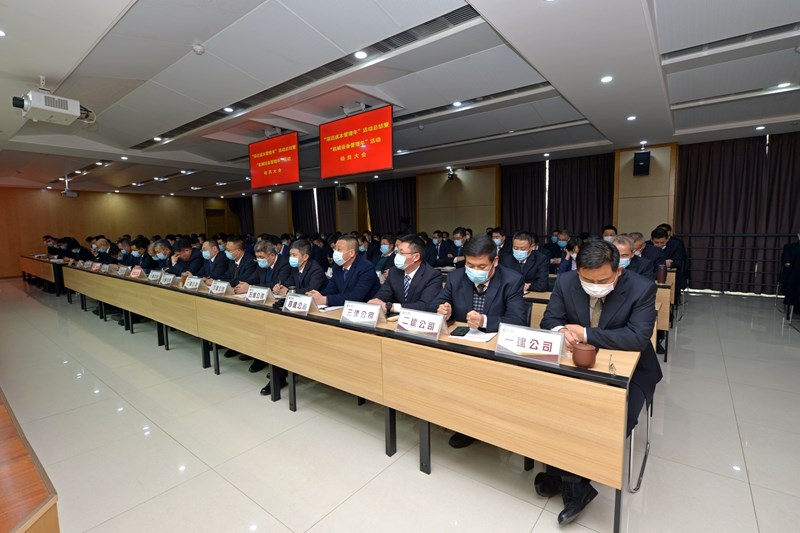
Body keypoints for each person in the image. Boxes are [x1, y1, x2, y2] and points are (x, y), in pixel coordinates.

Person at [537, 240, 660, 525]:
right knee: (552, 405)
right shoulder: (566, 281)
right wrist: (560, 330)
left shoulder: (641, 288)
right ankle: (561, 471)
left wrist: (585, 333)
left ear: (618, 271)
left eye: (603, 281)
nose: (595, 286)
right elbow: (549, 319)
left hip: (631, 372)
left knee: (606, 417)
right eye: (587, 280)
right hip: (574, 363)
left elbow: (637, 338)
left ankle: (573, 483)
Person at [430, 235, 526, 449]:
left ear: (495, 261)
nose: (475, 270)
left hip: (494, 348)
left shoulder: (512, 280)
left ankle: (487, 426)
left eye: (481, 266)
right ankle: (461, 422)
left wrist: (485, 321)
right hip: (461, 344)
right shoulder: (456, 277)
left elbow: (518, 320)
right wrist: (442, 310)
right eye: (470, 265)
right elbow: (437, 303)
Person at [368, 234, 443, 313]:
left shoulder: (432, 276)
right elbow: (383, 294)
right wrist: (376, 302)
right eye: (396, 252)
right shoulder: (394, 271)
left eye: (401, 253)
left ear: (416, 257)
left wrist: (391, 307)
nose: (397, 256)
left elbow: (425, 305)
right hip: (395, 318)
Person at [307, 235, 381, 308]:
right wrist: (317, 296)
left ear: (351, 253)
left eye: (339, 250)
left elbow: (356, 296)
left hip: (365, 308)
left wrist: (325, 300)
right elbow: (331, 289)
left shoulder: (366, 268)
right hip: (343, 307)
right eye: (334, 249)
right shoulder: (337, 266)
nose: (335, 252)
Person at [781, 229, 800, 313]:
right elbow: (786, 263)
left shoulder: (790, 248)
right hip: (792, 277)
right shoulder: (789, 247)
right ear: (798, 235)